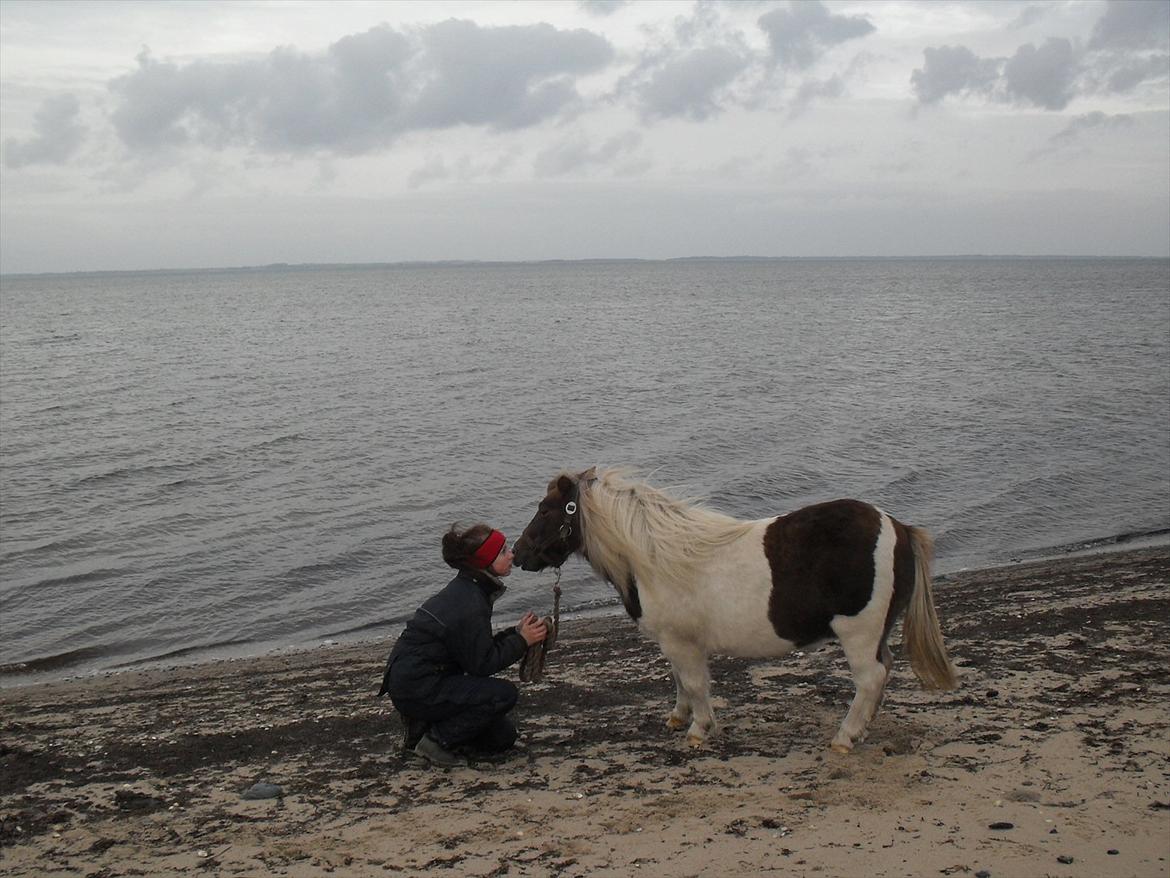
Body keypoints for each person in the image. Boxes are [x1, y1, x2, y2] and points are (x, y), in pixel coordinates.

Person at [378, 523, 548, 768]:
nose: (511, 554)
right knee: (504, 695)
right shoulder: (470, 601)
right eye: (502, 551)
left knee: (502, 738)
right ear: (484, 562)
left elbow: (476, 650)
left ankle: (422, 728)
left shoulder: (470, 588)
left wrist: (517, 633)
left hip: (417, 680)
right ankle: (435, 742)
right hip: (417, 687)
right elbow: (482, 664)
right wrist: (522, 641)